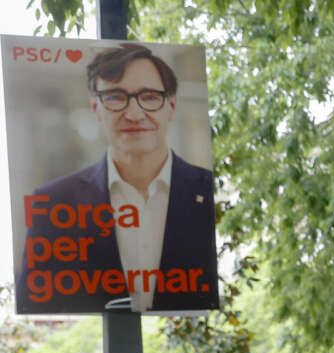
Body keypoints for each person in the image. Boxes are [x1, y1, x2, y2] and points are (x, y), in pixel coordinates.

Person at [18, 43, 218, 313]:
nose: (134, 114)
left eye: (149, 96)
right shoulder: (52, 203)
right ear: (96, 108)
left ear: (170, 106)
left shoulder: (208, 191)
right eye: (115, 97)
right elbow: (35, 303)